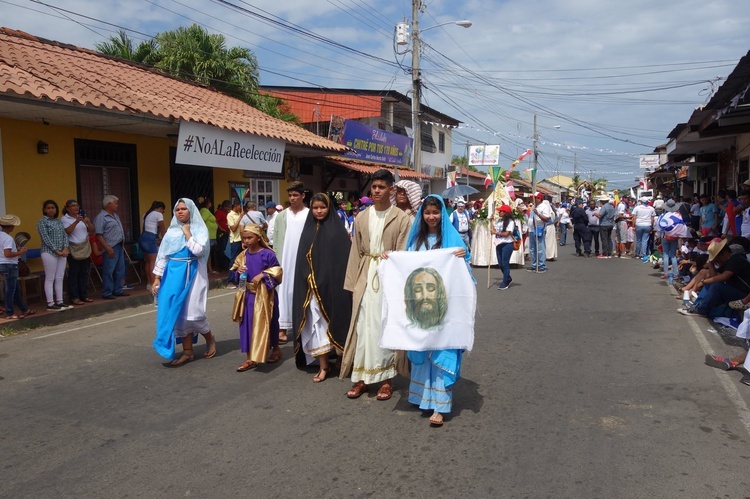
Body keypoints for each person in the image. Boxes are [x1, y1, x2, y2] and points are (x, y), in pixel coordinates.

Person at [341, 169, 411, 401]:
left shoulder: (401, 218)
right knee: (362, 326)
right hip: (365, 275)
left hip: (387, 277)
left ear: (391, 190)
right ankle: (361, 377)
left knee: (384, 325)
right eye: (374, 187)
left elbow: (403, 251)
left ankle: (386, 379)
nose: (377, 191)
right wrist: (351, 284)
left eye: (382, 187)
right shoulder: (361, 217)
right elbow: (355, 252)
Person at [402, 195, 471, 427]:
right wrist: (388, 259)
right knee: (422, 348)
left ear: (443, 214)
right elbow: (405, 268)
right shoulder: (415, 241)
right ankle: (421, 397)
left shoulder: (452, 240)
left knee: (443, 351)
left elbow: (464, 273)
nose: (431, 217)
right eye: (427, 212)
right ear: (422, 215)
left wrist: (463, 256)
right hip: (422, 306)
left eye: (436, 212)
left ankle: (440, 406)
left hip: (445, 308)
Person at [292, 193, 352, 381]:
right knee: (316, 326)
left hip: (332, 289)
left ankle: (342, 359)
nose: (319, 211)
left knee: (336, 323)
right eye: (316, 208)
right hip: (311, 290)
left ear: (329, 208)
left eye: (323, 207)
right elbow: (302, 259)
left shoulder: (337, 231)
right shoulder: (308, 229)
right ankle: (324, 366)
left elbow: (341, 264)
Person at [152, 198, 216, 366]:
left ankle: (210, 339)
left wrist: (187, 233)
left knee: (194, 313)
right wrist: (157, 279)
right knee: (179, 314)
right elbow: (162, 257)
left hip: (193, 274)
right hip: (173, 276)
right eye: (177, 209)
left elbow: (198, 251)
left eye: (183, 209)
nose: (180, 212)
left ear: (191, 211)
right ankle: (188, 352)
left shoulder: (199, 230)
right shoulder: (170, 232)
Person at [231, 225, 283, 372]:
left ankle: (276, 349)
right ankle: (250, 357)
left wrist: (264, 275)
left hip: (265, 296)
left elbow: (278, 273)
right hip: (248, 295)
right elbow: (236, 278)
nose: (246, 241)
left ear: (259, 237)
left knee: (270, 322)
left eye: (250, 237)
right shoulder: (242, 255)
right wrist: (238, 273)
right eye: (244, 238)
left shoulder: (268, 254)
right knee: (247, 325)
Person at [272, 181, 309, 344]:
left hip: (303, 259)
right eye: (290, 195)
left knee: (303, 291)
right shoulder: (281, 216)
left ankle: (303, 326)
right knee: (284, 292)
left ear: (303, 196)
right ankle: (282, 328)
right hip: (285, 259)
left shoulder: (310, 214)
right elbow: (276, 240)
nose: (293, 198)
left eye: (296, 195)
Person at [680, 238, 750, 317]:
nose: (717, 261)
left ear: (724, 254)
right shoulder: (727, 262)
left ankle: (701, 309)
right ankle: (696, 306)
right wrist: (711, 263)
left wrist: (703, 281)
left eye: (717, 258)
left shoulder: (736, 259)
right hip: (735, 289)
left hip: (744, 293)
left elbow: (724, 277)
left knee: (716, 286)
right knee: (711, 283)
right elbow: (713, 276)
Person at [37, 199, 71, 310]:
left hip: (62, 252)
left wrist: (65, 248)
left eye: (53, 208)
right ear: (44, 210)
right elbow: (45, 238)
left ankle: (60, 301)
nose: (51, 210)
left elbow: (65, 235)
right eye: (48, 208)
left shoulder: (58, 222)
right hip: (49, 252)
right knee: (50, 277)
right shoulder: (42, 222)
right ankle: (50, 303)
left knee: (59, 277)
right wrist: (56, 250)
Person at [0, 214, 34, 319]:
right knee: (10, 290)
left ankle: (24, 309)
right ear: (11, 226)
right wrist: (21, 252)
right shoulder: (8, 239)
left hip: (2, 264)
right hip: (9, 264)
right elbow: (7, 254)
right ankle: (10, 313)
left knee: (15, 289)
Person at [61, 199, 95, 305]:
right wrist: (76, 221)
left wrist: (88, 222)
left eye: (77, 205)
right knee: (74, 273)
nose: (76, 208)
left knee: (83, 273)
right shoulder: (64, 219)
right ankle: (74, 297)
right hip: (73, 249)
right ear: (67, 208)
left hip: (84, 247)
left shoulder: (83, 217)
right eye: (73, 206)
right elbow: (67, 232)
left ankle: (83, 295)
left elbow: (92, 230)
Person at [94, 195, 127, 300]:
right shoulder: (101, 217)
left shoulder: (115, 215)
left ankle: (118, 290)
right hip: (110, 247)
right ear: (109, 204)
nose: (117, 205)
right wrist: (107, 248)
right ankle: (107, 292)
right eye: (115, 203)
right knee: (109, 270)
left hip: (119, 245)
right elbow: (99, 235)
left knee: (119, 269)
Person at [140, 201, 166, 292]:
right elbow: (162, 228)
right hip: (150, 237)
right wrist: (165, 240)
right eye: (163, 211)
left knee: (147, 261)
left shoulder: (146, 214)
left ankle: (149, 283)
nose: (162, 213)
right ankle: (153, 284)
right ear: (160, 208)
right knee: (153, 262)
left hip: (143, 237)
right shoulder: (158, 214)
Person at [491, 204, 516, 290]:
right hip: (499, 244)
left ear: (505, 213)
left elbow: (506, 234)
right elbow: (493, 230)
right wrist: (491, 221)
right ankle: (508, 277)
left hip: (507, 244)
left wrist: (496, 233)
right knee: (500, 264)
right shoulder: (499, 221)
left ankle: (505, 282)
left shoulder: (510, 222)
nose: (499, 212)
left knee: (505, 263)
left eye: (501, 211)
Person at [527, 192, 552, 271]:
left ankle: (541, 265)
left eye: (535, 198)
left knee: (540, 248)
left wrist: (537, 213)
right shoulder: (534, 206)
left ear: (539, 199)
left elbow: (546, 218)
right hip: (531, 229)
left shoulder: (544, 207)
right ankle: (534, 265)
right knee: (532, 248)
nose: (533, 199)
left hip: (539, 228)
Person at [198, 197, 219, 275]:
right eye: (210, 202)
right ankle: (208, 269)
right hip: (208, 235)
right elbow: (202, 221)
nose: (211, 204)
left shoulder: (206, 211)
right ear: (207, 203)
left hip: (211, 235)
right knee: (207, 253)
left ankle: (209, 269)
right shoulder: (205, 211)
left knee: (208, 253)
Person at [225, 200, 243, 287]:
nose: (241, 208)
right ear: (236, 205)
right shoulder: (230, 215)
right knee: (233, 261)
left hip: (241, 239)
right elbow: (233, 228)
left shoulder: (239, 214)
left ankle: (239, 279)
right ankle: (230, 281)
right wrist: (240, 217)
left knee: (242, 261)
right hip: (235, 240)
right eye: (240, 206)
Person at [215, 200, 230, 270]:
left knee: (225, 249)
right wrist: (221, 228)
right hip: (222, 234)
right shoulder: (219, 213)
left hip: (227, 234)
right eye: (228, 207)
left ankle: (225, 265)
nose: (229, 208)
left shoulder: (226, 213)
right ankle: (221, 266)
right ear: (225, 206)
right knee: (222, 249)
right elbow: (216, 221)